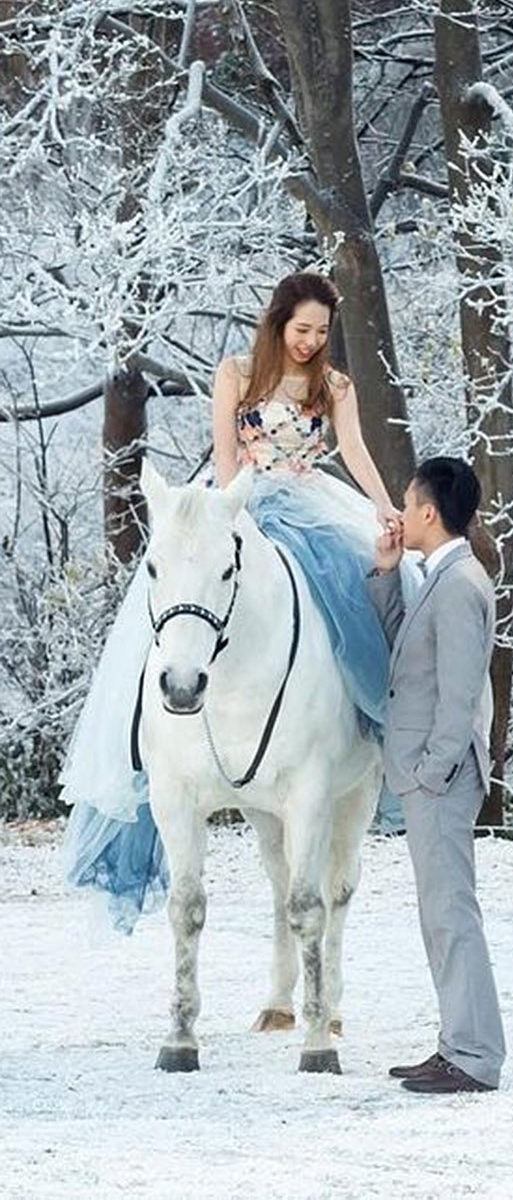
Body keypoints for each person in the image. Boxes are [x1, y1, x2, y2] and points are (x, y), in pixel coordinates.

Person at [61, 271, 405, 930]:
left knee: (356, 597)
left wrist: (385, 507)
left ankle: (370, 726)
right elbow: (225, 457)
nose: (310, 341)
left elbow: (354, 451)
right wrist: (228, 520)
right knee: (166, 611)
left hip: (310, 505)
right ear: (278, 323)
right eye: (301, 329)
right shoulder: (237, 372)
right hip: (233, 505)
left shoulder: (335, 386)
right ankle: (147, 748)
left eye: (321, 333)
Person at [367, 456, 506, 1094]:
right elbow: (409, 656)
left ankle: (473, 1056)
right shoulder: (443, 578)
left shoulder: (458, 586)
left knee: (451, 913)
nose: (398, 506)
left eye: (405, 497)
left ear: (428, 511)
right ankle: (457, 1044)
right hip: (434, 776)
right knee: (440, 912)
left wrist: (430, 772)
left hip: (441, 780)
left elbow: (457, 697)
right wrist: (388, 576)